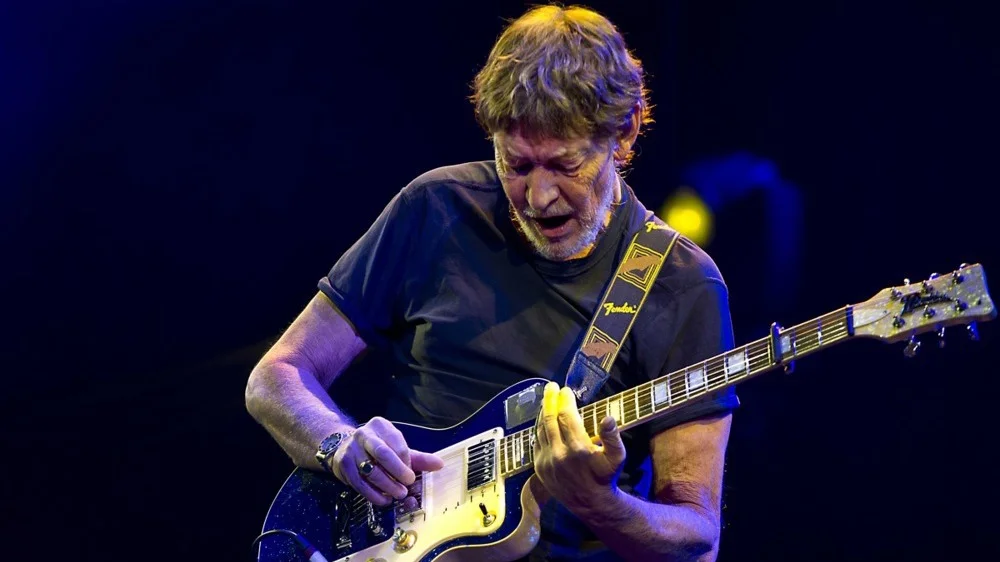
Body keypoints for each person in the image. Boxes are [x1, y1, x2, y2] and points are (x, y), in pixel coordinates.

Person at [246, 4, 739, 561]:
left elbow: (697, 540)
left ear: (623, 133)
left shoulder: (682, 285)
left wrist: (600, 503)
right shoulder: (436, 207)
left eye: (565, 165)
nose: (538, 197)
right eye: (517, 165)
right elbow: (276, 375)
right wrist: (338, 445)